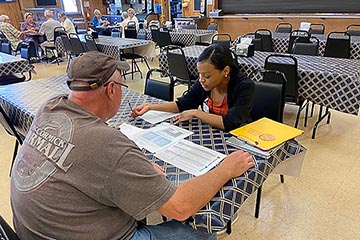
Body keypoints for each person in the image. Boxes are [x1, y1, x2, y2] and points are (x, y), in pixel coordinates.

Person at [10, 51, 254, 240]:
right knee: (204, 229)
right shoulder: (107, 143)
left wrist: (132, 166)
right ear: (113, 90)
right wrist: (226, 169)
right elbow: (180, 208)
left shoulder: (50, 107)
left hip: (32, 231)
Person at [131, 44, 255, 132]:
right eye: (199, 74)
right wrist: (150, 107)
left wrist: (196, 113)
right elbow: (183, 104)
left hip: (238, 138)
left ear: (225, 71)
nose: (201, 79)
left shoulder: (244, 87)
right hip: (213, 133)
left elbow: (230, 123)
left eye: (207, 75)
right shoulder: (204, 84)